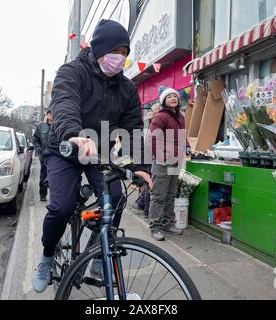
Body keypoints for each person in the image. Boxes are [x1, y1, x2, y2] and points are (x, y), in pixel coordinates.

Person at [32, 19, 152, 293]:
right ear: (99, 48)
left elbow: (133, 129)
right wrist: (74, 132)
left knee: (116, 197)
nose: (120, 58)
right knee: (61, 206)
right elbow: (64, 102)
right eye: (115, 51)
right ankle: (47, 255)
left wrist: (141, 167)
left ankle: (100, 252)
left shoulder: (127, 89)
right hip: (66, 147)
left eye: (124, 53)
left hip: (99, 152)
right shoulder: (72, 71)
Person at [148, 86, 191, 241]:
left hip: (176, 160)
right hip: (163, 161)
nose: (173, 98)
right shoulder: (160, 117)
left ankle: (167, 223)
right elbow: (152, 138)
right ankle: (155, 227)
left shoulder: (180, 116)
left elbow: (181, 135)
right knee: (159, 195)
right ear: (164, 101)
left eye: (175, 96)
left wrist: (186, 146)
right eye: (169, 96)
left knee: (171, 194)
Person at [32, 110, 52, 202]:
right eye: (50, 114)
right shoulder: (40, 126)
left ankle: (54, 196)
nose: (52, 116)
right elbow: (35, 139)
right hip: (44, 156)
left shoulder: (58, 124)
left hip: (55, 156)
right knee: (44, 176)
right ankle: (43, 195)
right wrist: (39, 150)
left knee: (55, 176)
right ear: (47, 115)